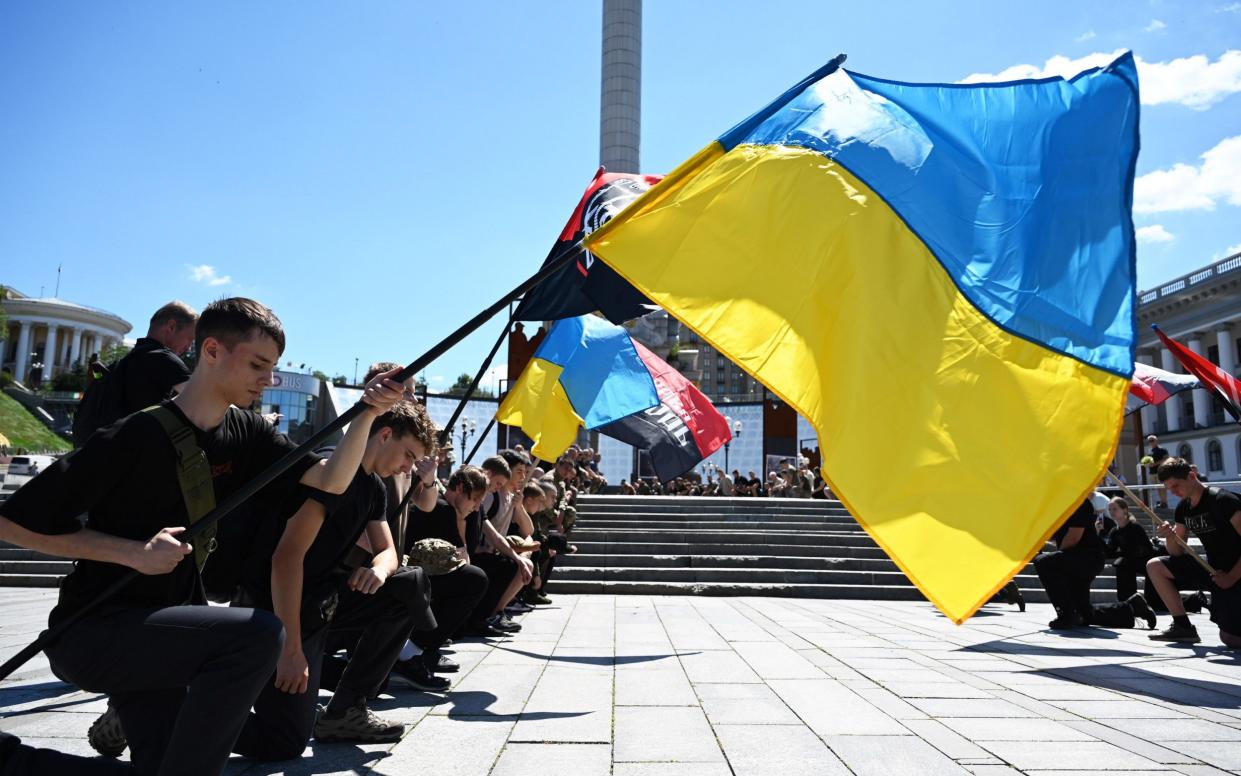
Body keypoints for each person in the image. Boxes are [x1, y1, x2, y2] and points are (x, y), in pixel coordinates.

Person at [0, 297, 407, 775]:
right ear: (211, 350)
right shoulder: (133, 435)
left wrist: (366, 410)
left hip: (168, 632)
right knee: (258, 635)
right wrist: (133, 553)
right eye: (257, 364)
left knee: (168, 767)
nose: (268, 378)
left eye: (273, 367)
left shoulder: (248, 433)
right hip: (96, 628)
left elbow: (330, 481)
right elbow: (12, 522)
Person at [232, 400, 438, 759]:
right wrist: (292, 651)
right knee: (282, 742)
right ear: (384, 434)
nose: (409, 467)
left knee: (407, 583)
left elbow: (388, 551)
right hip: (275, 609)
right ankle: (161, 711)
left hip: (319, 605)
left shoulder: (374, 487)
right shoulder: (331, 472)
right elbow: (285, 559)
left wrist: (377, 569)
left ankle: (345, 711)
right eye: (408, 454)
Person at [1146, 458, 1241, 647]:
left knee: (1230, 638)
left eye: (1176, 486)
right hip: (1212, 570)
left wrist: (1231, 576)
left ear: (1191, 476)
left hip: (1235, 572)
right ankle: (1183, 626)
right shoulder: (1183, 508)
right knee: (1155, 566)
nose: (1173, 492)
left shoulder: (1223, 501)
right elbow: (1176, 553)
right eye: (1169, 489)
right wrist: (1170, 536)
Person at [1104, 497, 1158, 601]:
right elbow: (1109, 553)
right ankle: (1127, 601)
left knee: (1155, 601)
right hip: (1131, 562)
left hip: (1148, 562)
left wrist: (1121, 555)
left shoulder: (1135, 527)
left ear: (1125, 510)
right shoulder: (1114, 531)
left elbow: (1143, 551)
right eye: (1110, 509)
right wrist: (1098, 534)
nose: (1111, 512)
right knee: (1121, 564)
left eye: (1115, 509)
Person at [1147, 435, 1170, 508]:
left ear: (1156, 441)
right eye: (1149, 441)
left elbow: (1166, 459)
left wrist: (1155, 464)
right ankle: (1162, 502)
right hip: (1152, 472)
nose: (1151, 442)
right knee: (1158, 488)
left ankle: (1165, 502)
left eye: (1152, 440)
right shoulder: (1150, 451)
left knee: (1162, 487)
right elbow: (1148, 460)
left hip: (1160, 471)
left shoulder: (1162, 450)